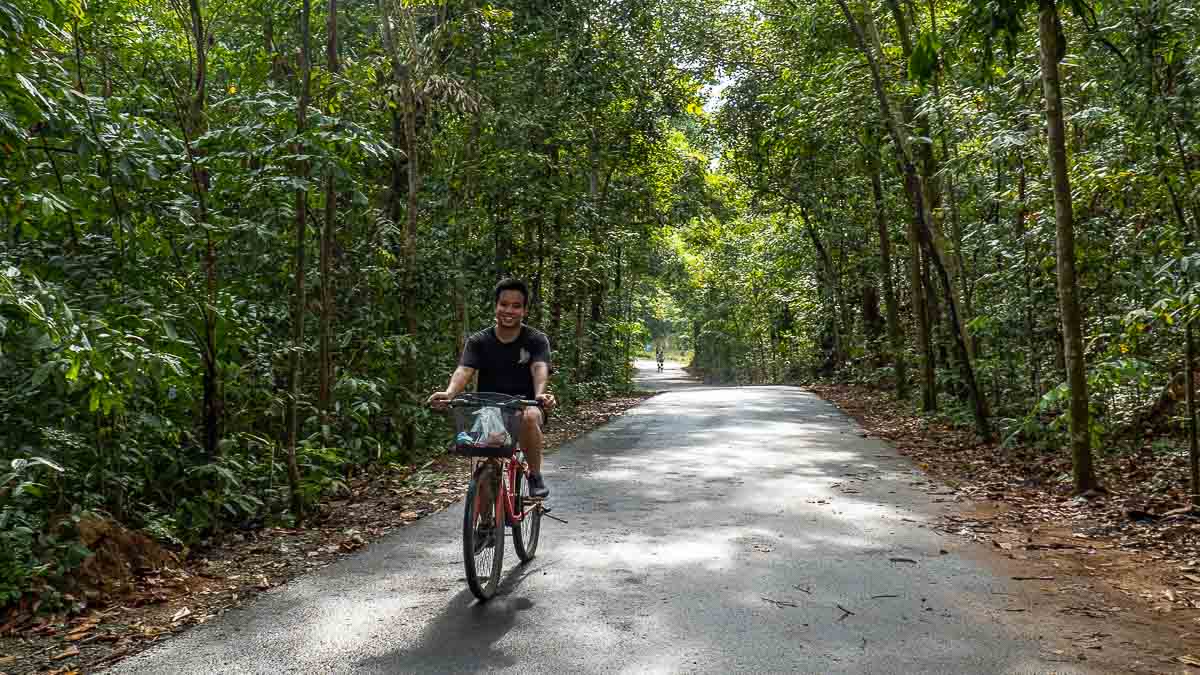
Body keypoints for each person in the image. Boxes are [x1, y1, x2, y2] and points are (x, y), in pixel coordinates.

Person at [428, 278, 556, 498]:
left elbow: (539, 367)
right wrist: (449, 393)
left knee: (528, 417)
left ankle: (535, 475)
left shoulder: (536, 339)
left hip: (526, 404)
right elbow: (464, 370)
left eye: (516, 306)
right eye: (504, 304)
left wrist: (540, 394)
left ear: (524, 310)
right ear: (496, 306)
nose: (509, 310)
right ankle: (486, 525)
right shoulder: (479, 341)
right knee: (484, 467)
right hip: (489, 410)